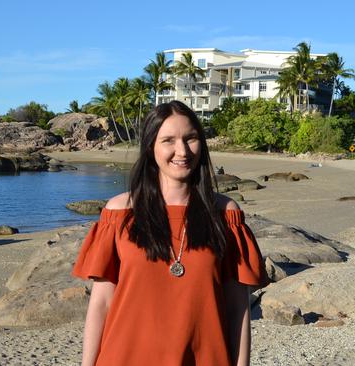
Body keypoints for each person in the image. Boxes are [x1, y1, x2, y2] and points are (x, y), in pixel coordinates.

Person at [72, 101, 268, 366]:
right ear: (151, 147)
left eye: (191, 138)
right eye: (168, 140)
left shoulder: (225, 215)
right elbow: (102, 303)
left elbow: (238, 310)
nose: (182, 151)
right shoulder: (118, 213)